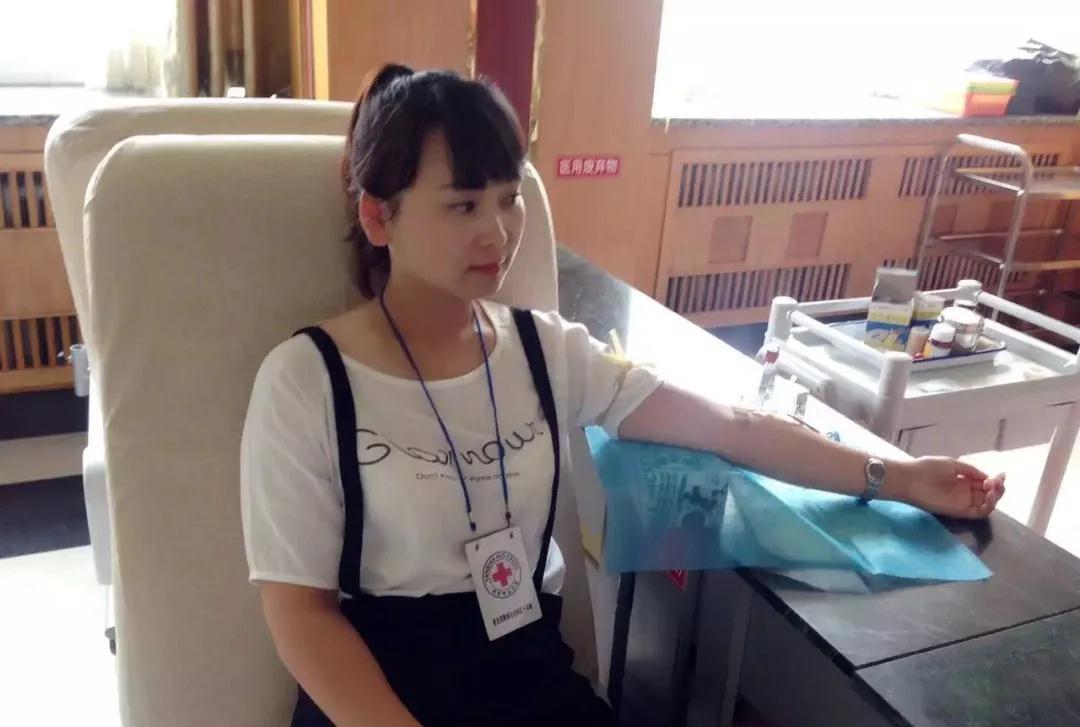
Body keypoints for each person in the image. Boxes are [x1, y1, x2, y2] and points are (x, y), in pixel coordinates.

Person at [240, 65, 1006, 727]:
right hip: (379, 689)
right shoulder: (307, 380)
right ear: (379, 215)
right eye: (463, 204)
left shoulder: (544, 350)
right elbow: (300, 614)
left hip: (524, 673)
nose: (498, 232)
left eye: (509, 197)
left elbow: (731, 427)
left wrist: (899, 476)